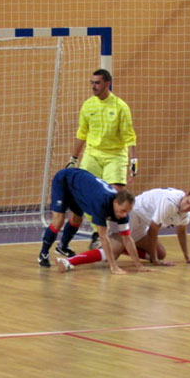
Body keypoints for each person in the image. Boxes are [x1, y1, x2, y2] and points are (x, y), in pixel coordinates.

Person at [65, 69, 138, 250]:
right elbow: (81, 134)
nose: (93, 86)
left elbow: (129, 136)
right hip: (92, 154)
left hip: (115, 155)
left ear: (107, 83)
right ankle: (98, 232)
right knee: (86, 194)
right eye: (92, 83)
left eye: (97, 83)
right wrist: (73, 158)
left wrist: (133, 160)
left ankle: (121, 233)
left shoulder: (120, 106)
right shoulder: (88, 105)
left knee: (116, 194)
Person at [55, 187, 190, 272]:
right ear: (186, 195)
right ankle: (69, 261)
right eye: (187, 202)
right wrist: (154, 261)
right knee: (110, 256)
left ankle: (122, 247)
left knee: (161, 253)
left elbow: (182, 232)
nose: (187, 207)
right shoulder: (170, 202)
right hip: (133, 215)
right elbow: (153, 231)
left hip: (143, 223)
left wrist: (187, 257)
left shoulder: (185, 214)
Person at [38, 168, 154, 275]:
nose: (124, 215)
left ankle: (62, 246)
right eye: (123, 211)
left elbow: (127, 239)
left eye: (127, 212)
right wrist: (113, 266)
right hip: (65, 180)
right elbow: (103, 237)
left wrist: (139, 265)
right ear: (115, 203)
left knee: (77, 219)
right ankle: (43, 253)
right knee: (58, 221)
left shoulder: (122, 210)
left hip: (80, 189)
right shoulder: (102, 204)